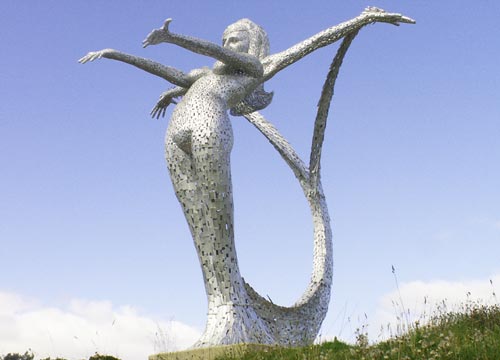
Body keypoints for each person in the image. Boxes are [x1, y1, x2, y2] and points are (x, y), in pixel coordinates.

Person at [79, 8, 414, 346]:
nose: (226, 45)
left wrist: (363, 19)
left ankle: (231, 315)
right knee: (201, 231)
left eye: (234, 40)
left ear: (251, 45)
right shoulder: (203, 76)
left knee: (219, 224)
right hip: (174, 137)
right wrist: (116, 55)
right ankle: (220, 310)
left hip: (209, 127)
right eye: (224, 38)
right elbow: (169, 72)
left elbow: (312, 43)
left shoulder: (254, 68)